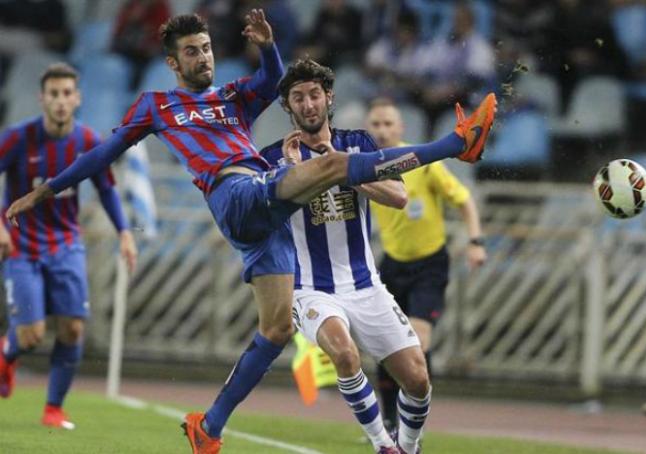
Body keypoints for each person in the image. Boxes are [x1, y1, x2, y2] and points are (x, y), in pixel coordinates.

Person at [5, 11, 497, 454]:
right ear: (174, 63)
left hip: (266, 223)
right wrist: (47, 190)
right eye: (192, 51)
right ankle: (456, 143)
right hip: (236, 194)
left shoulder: (234, 97)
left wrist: (269, 45)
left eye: (207, 47)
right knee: (333, 167)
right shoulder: (156, 105)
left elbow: (274, 80)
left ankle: (209, 428)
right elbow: (100, 156)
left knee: (277, 329)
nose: (204, 57)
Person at [261, 58, 431, 454]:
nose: (307, 104)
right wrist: (295, 172)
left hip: (365, 284)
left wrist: (343, 170)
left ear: (328, 98)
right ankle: (382, 446)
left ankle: (408, 447)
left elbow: (399, 196)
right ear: (288, 106)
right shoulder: (273, 157)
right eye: (298, 97)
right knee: (344, 352)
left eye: (314, 95)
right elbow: (265, 215)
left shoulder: (359, 145)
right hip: (309, 288)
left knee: (418, 380)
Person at [0, 62, 137, 429]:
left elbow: (106, 189)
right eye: (53, 94)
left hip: (66, 244)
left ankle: (53, 409)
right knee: (31, 336)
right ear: (41, 98)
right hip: (21, 247)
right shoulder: (17, 138)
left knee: (73, 328)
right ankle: (7, 352)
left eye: (66, 94)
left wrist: (124, 231)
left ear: (77, 99)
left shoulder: (88, 142)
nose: (60, 101)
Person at [366, 98, 487, 433]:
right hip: (392, 264)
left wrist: (475, 242)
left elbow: (464, 200)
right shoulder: (366, 165)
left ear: (401, 128)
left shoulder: (421, 162)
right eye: (376, 124)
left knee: (418, 342)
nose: (382, 130)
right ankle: (390, 421)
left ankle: (414, 421)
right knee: (387, 347)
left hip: (430, 263)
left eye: (388, 123)